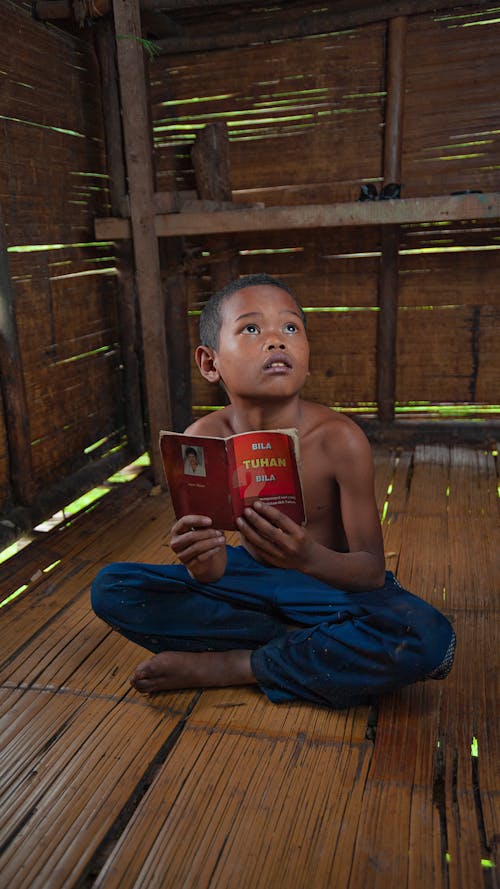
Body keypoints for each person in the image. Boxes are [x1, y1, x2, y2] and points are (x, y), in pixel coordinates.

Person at [91, 273, 455, 708]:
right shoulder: (203, 438)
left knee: (431, 640)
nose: (275, 341)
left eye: (290, 328)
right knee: (112, 587)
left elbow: (370, 572)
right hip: (250, 581)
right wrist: (202, 562)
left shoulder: (340, 439)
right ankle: (312, 649)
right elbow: (211, 571)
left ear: (305, 353)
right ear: (210, 363)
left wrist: (307, 557)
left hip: (328, 585)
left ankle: (238, 665)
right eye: (250, 328)